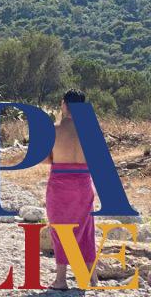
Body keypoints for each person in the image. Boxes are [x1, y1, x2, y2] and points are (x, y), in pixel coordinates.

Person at [45, 90, 98, 290]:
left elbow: (44, 159)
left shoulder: (53, 130)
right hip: (83, 183)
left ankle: (61, 280)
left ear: (63, 104)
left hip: (60, 184)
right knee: (86, 228)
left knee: (60, 229)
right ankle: (91, 277)